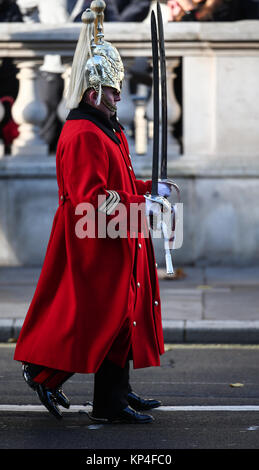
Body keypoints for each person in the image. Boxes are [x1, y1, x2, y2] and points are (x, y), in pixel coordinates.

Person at [14, 0, 174, 424]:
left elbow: (116, 185)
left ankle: (115, 394)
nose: (119, 95)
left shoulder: (107, 128)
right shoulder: (84, 133)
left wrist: (148, 189)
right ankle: (51, 376)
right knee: (100, 319)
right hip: (94, 239)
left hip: (115, 234)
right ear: (93, 92)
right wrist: (143, 205)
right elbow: (92, 200)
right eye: (113, 89)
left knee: (123, 318)